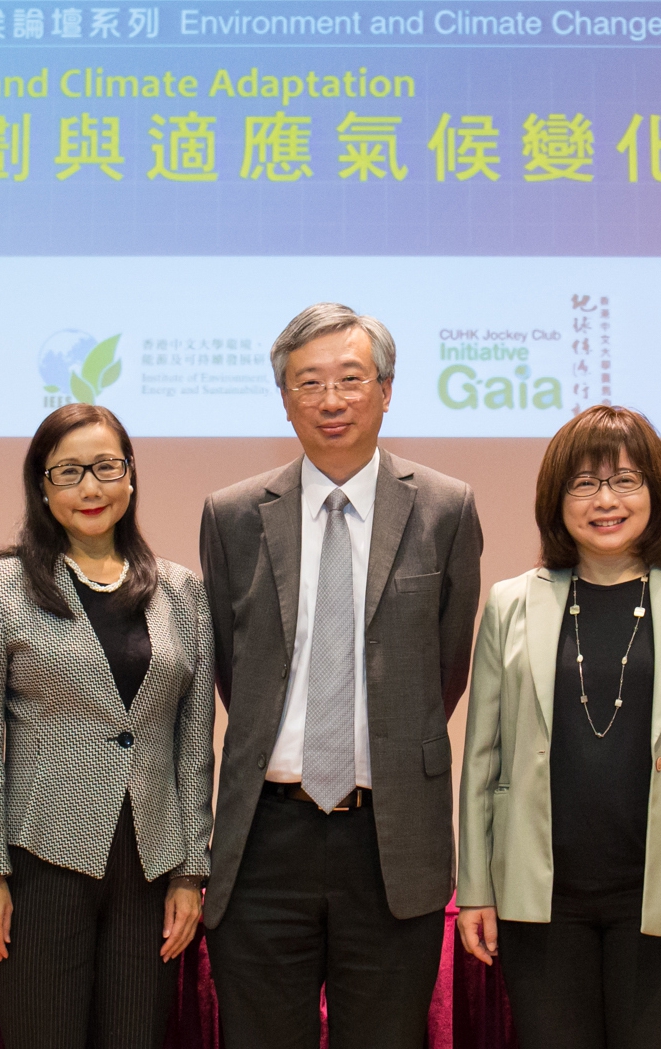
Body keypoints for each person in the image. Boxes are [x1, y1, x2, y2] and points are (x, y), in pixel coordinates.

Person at [198, 302, 483, 1049]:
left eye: (351, 379)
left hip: (390, 835)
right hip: (266, 834)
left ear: (386, 390)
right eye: (309, 382)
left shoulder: (446, 507)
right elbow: (233, 665)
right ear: (285, 397)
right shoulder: (233, 513)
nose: (331, 400)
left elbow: (445, 667)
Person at [457, 404, 661, 1049]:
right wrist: (475, 888)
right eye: (583, 484)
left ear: (658, 493)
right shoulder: (510, 604)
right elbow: (481, 759)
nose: (605, 501)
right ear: (556, 500)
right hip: (542, 901)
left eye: (625, 481)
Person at [0, 403, 214, 1049]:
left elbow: (193, 744)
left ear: (131, 476)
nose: (91, 487)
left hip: (151, 864)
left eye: (106, 466)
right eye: (68, 471)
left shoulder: (182, 591)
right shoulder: (0, 585)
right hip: (40, 858)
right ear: (42, 486)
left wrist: (191, 870)